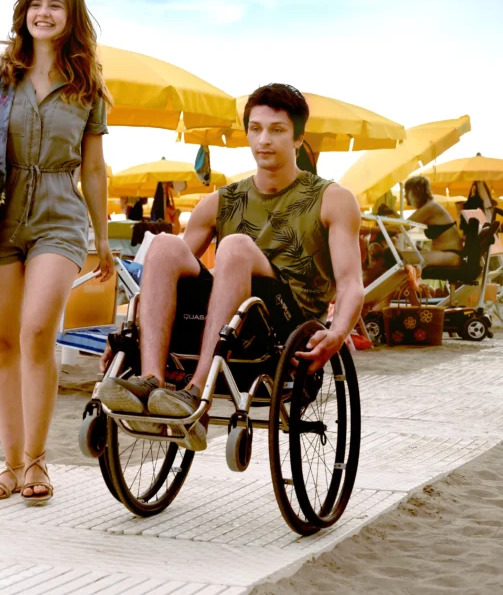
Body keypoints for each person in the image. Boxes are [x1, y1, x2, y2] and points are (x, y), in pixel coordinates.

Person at [97, 83, 364, 451]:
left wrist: (338, 333)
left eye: (277, 130)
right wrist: (126, 335)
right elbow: (166, 279)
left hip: (287, 325)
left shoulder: (333, 199)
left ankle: (196, 393)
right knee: (163, 244)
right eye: (255, 129)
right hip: (224, 317)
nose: (264, 140)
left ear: (299, 139)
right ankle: (151, 379)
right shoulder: (221, 201)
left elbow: (351, 282)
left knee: (236, 246)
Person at [0, 0, 113, 503]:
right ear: (24, 12)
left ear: (71, 16)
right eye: (36, 4)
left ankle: (38, 463)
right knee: (1, 343)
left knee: (39, 330)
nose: (44, 13)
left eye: (56, 5)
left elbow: (96, 169)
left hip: (60, 213)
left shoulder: (88, 85)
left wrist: (102, 239)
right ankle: (10, 464)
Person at [404, 176, 462, 268]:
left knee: (399, 256)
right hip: (447, 254)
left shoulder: (431, 208)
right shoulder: (430, 207)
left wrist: (373, 229)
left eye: (407, 192)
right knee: (402, 255)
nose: (405, 196)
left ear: (415, 193)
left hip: (450, 255)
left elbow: (402, 226)